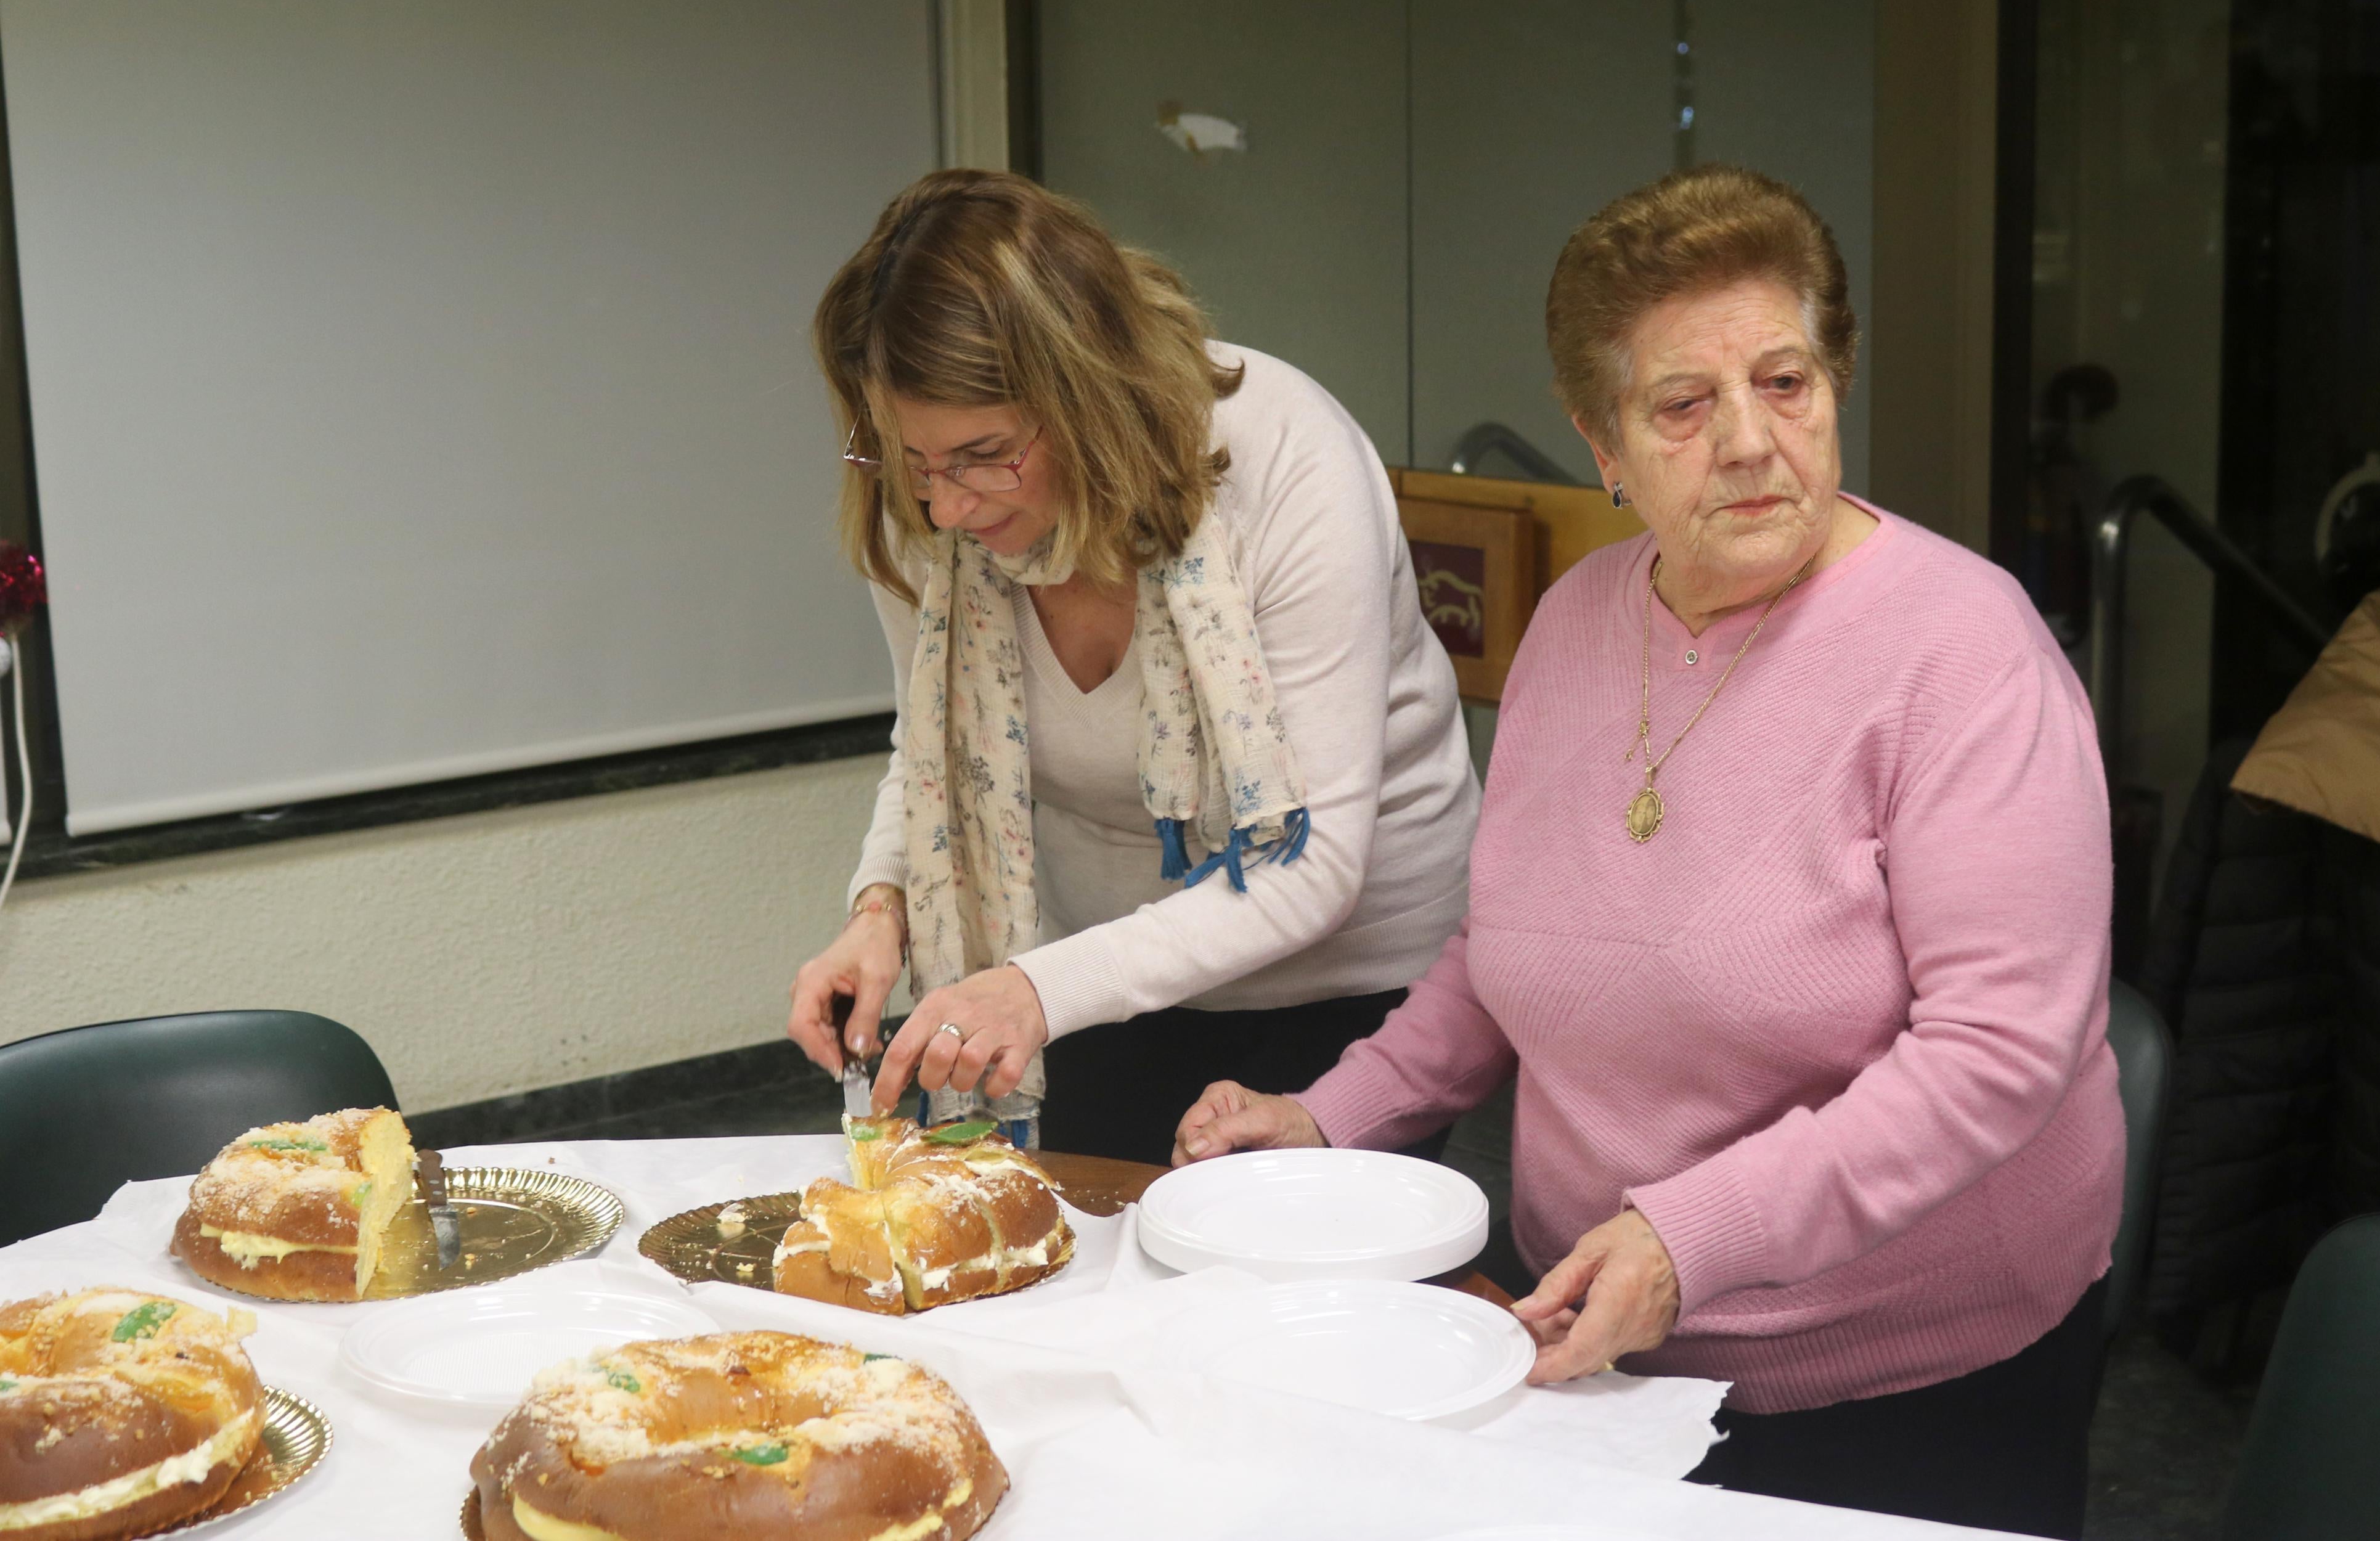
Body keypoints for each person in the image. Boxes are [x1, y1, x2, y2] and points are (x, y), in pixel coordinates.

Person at [1173, 165, 2124, 1540]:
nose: (1748, 439)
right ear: (1601, 442)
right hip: (1596, 1338)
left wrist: (1692, 1240)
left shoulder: (1966, 653)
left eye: (1785, 383)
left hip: (1903, 1378)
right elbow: (1504, 946)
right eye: (1685, 404)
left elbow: (2003, 1049)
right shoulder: (1576, 622)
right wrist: (1331, 1119)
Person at [786, 168, 1478, 1163]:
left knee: (1282, 1294)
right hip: (1097, 976)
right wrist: (879, 907)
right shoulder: (929, 509)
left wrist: (1037, 988)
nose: (946, 508)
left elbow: (1313, 861)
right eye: (912, 462)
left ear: (1086, 394)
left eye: (983, 455)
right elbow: (930, 749)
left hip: (1350, 984)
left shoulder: (1284, 458)